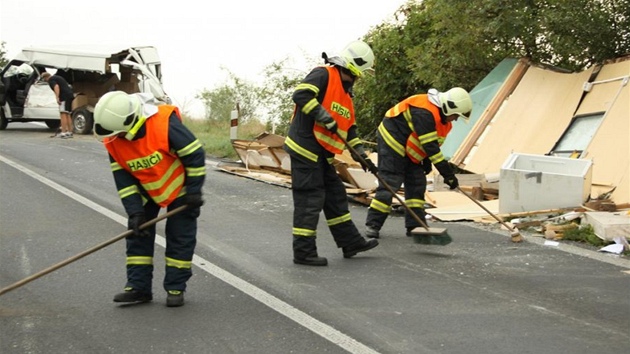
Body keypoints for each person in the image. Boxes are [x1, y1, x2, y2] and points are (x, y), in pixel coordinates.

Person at [93, 91, 206, 307]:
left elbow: (195, 154)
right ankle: (138, 288)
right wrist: (135, 212)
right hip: (145, 187)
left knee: (180, 236)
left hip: (180, 185)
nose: (112, 135)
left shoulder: (164, 123)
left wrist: (193, 191)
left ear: (131, 121)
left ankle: (175, 287)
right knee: (138, 233)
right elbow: (124, 181)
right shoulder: (113, 138)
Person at [283, 40, 380, 266]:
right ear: (354, 68)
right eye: (360, 73)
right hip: (305, 150)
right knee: (310, 199)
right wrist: (322, 115)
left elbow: (350, 131)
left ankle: (350, 242)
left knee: (335, 195)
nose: (359, 78)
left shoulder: (346, 96)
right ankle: (304, 252)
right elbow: (301, 95)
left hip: (322, 157)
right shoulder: (323, 74)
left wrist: (361, 156)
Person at [365, 87, 472, 239]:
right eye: (455, 115)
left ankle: (415, 226)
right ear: (449, 107)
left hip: (410, 147)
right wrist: (448, 175)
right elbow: (431, 147)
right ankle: (373, 225)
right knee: (391, 182)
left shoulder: (443, 121)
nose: (455, 119)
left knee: (417, 183)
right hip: (392, 141)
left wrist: (426, 160)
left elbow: (430, 144)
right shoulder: (424, 112)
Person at [42, 72, 74, 138]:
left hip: (64, 97)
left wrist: (57, 97)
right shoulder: (57, 77)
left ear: (45, 78)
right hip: (70, 96)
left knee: (63, 114)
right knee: (68, 114)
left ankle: (63, 133)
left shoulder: (51, 80)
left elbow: (56, 87)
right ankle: (69, 132)